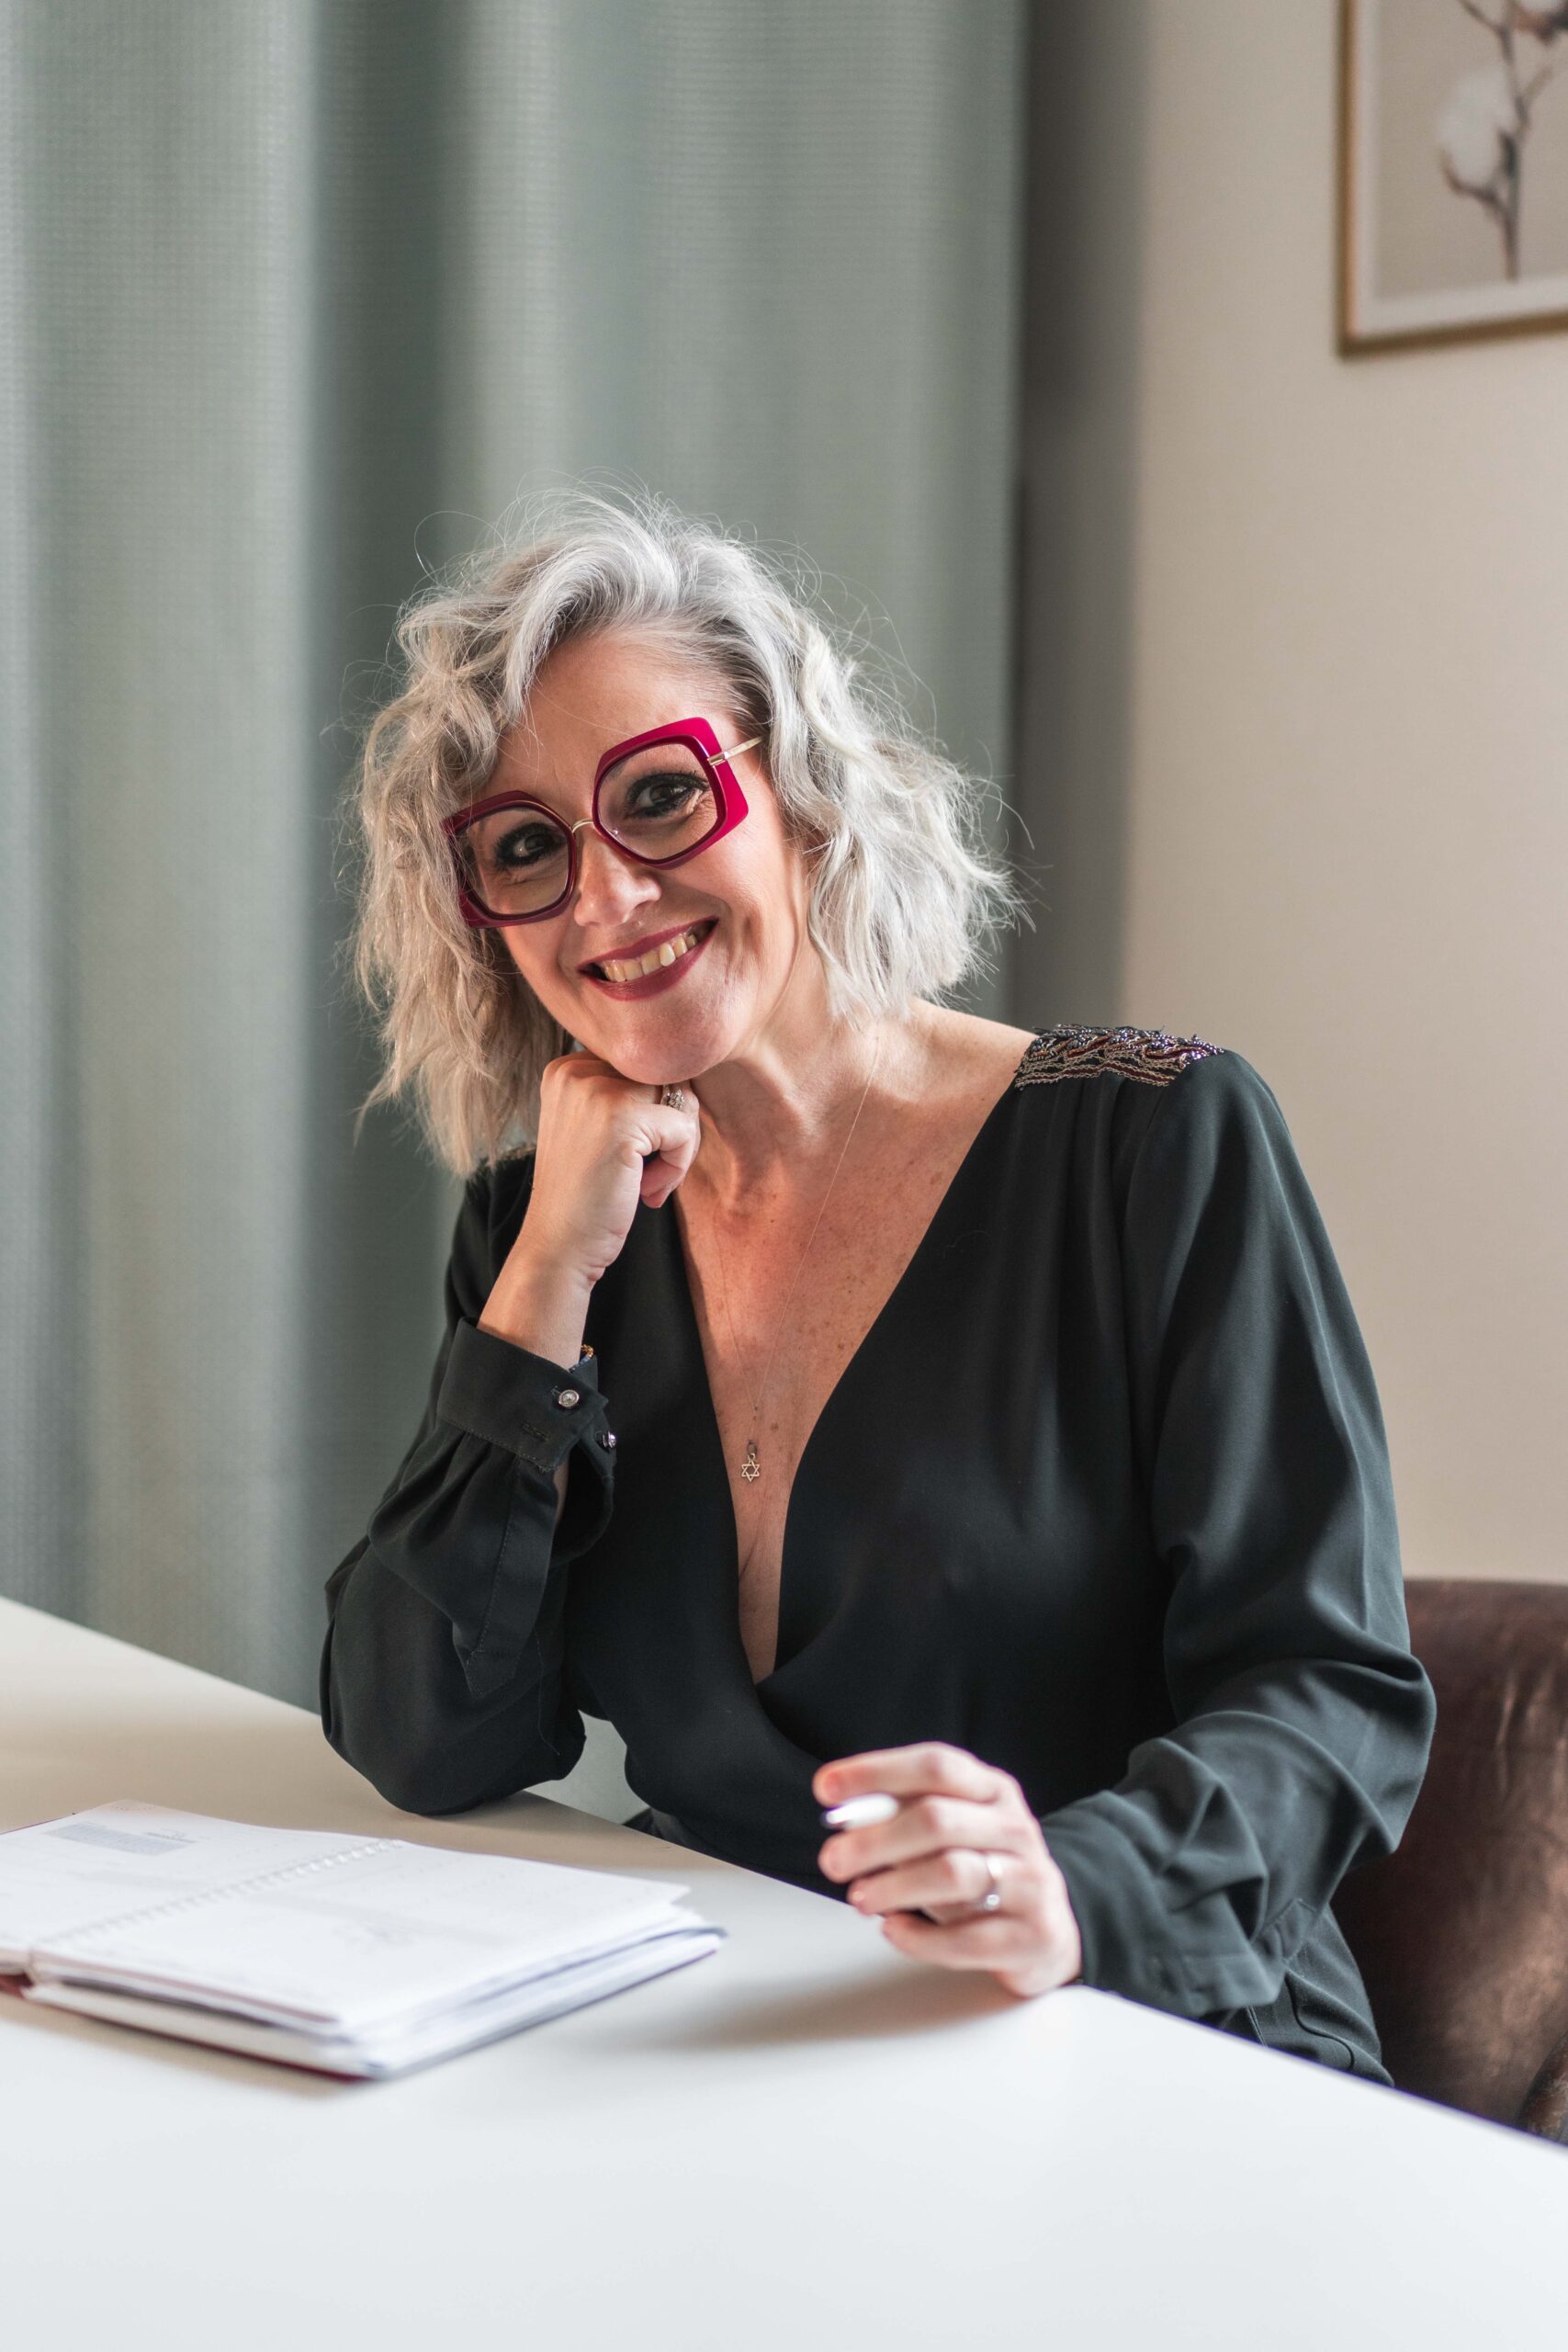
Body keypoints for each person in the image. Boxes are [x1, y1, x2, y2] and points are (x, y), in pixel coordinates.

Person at [321, 490, 1436, 2073]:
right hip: (755, 2044)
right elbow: (424, 1736)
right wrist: (546, 1281)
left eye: (660, 796)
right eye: (524, 849)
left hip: (1153, 2035)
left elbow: (1330, 1689)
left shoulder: (1153, 1139)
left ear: (801, 792)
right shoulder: (544, 1227)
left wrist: (1075, 1889)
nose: (607, 898)